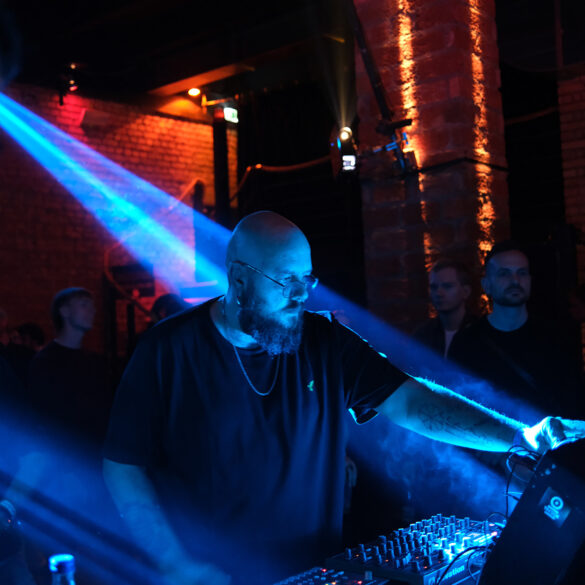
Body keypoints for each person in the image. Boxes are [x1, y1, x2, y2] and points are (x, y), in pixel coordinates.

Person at [102, 212, 581, 585]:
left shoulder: (324, 340)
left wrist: (520, 435)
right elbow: (123, 466)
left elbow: (411, 401)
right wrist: (173, 562)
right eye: (285, 282)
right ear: (239, 280)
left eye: (307, 280)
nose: (300, 296)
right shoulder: (167, 350)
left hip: (316, 570)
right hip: (216, 574)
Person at [450, 241, 584, 421]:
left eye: (522, 273)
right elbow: (456, 409)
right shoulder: (467, 343)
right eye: (504, 274)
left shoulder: (556, 339)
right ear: (486, 284)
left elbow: (574, 404)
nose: (515, 281)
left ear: (530, 280)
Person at [413, 258, 477, 358]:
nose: (439, 293)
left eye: (447, 286)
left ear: (466, 291)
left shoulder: (481, 334)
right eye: (434, 287)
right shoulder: (422, 336)